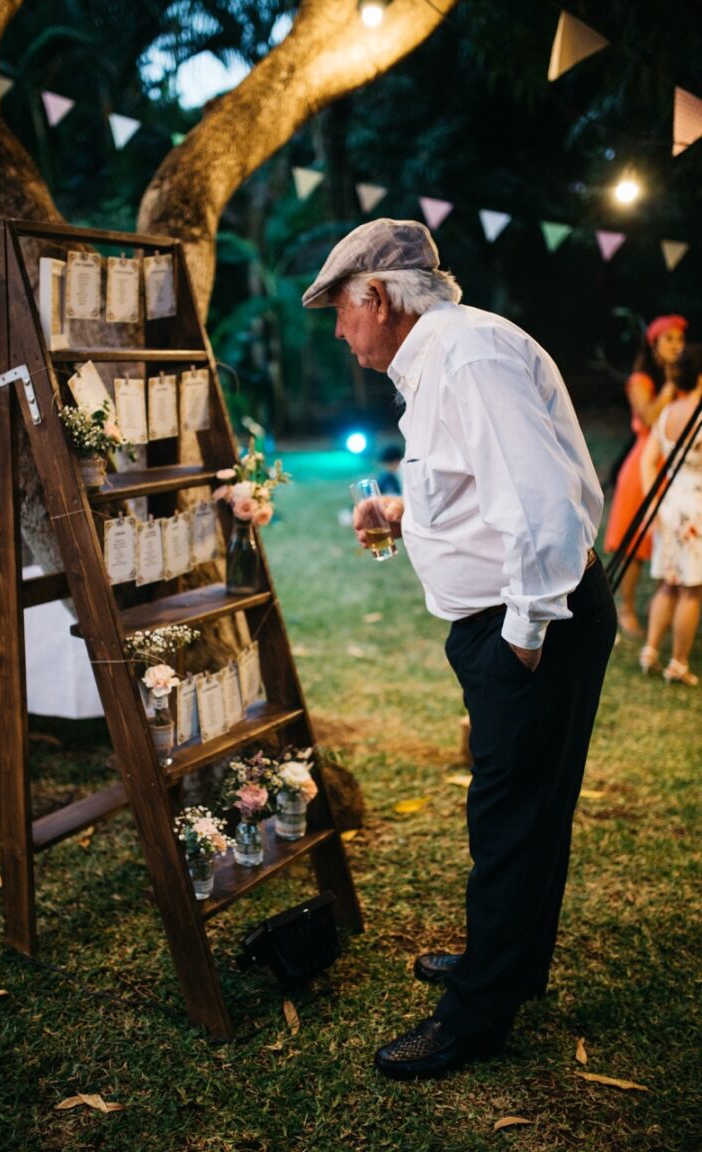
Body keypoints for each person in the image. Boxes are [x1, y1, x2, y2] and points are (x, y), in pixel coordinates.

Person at [302, 219, 616, 1081]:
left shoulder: (466, 356)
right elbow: (484, 490)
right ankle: (508, 967)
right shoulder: (444, 356)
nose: (337, 329)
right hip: (520, 616)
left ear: (377, 296)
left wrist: (518, 643)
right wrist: (407, 515)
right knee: (526, 810)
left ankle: (475, 1016)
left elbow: (545, 511)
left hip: (534, 622)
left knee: (508, 819)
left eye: (339, 309)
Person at [604, 315, 687, 636]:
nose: (677, 346)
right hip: (641, 466)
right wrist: (669, 386)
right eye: (670, 340)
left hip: (674, 466)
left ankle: (658, 603)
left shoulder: (689, 378)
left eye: (680, 340)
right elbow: (649, 417)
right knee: (633, 544)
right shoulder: (641, 380)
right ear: (654, 346)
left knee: (670, 539)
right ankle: (625, 608)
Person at [639, 351, 702, 686]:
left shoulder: (665, 416)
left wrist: (653, 504)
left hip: (669, 502)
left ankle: (650, 649)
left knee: (667, 582)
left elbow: (648, 461)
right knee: (691, 590)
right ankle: (678, 662)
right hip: (696, 507)